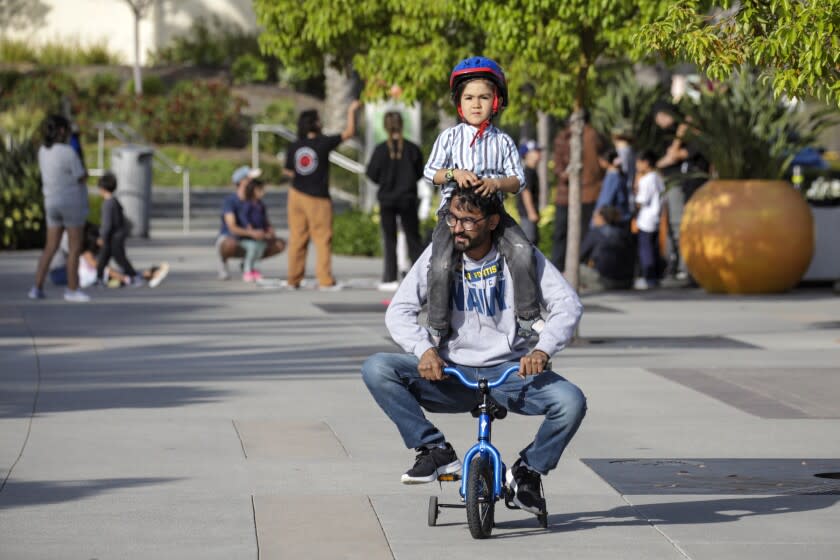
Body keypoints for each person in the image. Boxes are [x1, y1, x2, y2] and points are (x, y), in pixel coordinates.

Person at [362, 186, 586, 515]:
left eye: (469, 221)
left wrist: (542, 350)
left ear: (493, 221)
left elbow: (568, 304)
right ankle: (434, 449)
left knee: (571, 402)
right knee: (377, 368)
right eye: (452, 218)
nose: (458, 228)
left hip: (510, 375)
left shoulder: (521, 257)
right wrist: (424, 350)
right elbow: (399, 310)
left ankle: (527, 472)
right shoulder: (439, 256)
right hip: (451, 373)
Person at [424, 56, 541, 343]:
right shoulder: (449, 137)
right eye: (469, 98)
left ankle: (527, 317)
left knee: (523, 250)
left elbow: (518, 179)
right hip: (454, 215)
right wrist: (454, 173)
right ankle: (438, 325)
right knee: (440, 263)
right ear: (459, 104)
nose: (476, 104)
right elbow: (430, 172)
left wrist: (496, 182)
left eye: (484, 97)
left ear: (497, 102)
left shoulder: (502, 141)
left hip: (491, 213)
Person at [283, 101, 361, 290]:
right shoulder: (323, 142)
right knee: (322, 238)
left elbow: (287, 171)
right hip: (318, 197)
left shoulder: (295, 146)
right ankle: (324, 279)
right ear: (315, 124)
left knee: (297, 237)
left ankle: (294, 278)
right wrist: (352, 111)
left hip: (295, 195)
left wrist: (303, 176)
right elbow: (349, 132)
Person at [28, 114, 91, 302]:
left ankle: (36, 287)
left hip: (51, 202)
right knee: (74, 248)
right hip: (71, 202)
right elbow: (81, 175)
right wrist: (78, 148)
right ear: (62, 131)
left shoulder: (42, 152)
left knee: (50, 246)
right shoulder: (68, 152)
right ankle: (72, 289)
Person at [366, 111, 425, 291]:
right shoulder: (412, 149)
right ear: (402, 125)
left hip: (387, 199)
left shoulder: (380, 149)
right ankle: (419, 276)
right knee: (413, 239)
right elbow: (419, 173)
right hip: (407, 198)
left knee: (389, 239)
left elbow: (371, 174)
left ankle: (390, 276)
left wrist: (385, 182)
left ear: (385, 127)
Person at [551, 111, 605, 271]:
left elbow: (597, 164)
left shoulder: (591, 135)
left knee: (574, 233)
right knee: (565, 232)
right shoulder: (565, 137)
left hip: (586, 192)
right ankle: (561, 266)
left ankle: (570, 267)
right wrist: (565, 174)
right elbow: (558, 166)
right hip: (570, 192)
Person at [216, 166, 286, 280]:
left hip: (252, 238)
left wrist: (269, 232)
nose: (253, 182)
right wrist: (252, 233)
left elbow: (266, 222)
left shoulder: (257, 202)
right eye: (250, 179)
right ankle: (223, 262)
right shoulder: (230, 201)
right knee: (230, 244)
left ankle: (248, 264)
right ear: (241, 182)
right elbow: (232, 227)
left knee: (278, 243)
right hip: (232, 237)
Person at [50, 223, 169, 289]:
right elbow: (96, 265)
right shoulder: (71, 239)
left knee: (110, 274)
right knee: (108, 274)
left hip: (69, 271)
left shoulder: (79, 236)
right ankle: (146, 275)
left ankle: (146, 275)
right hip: (61, 273)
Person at [95, 172, 142, 285]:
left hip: (112, 237)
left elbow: (107, 224)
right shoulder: (115, 201)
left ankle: (133, 276)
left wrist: (102, 237)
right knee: (104, 258)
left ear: (102, 188)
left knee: (118, 258)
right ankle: (99, 278)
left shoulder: (107, 204)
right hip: (117, 235)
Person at [579, 206, 635, 291]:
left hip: (605, 282)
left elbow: (580, 255)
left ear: (601, 218)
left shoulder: (596, 233)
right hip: (627, 282)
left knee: (575, 269)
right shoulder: (624, 234)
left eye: (595, 217)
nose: (593, 220)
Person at [634, 150, 665, 290]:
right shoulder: (658, 178)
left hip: (646, 219)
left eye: (639, 163)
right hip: (656, 217)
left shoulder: (646, 180)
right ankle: (656, 277)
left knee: (646, 250)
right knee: (654, 248)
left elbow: (641, 200)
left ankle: (649, 277)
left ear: (645, 163)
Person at [237, 179, 273, 282]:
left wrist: (268, 228)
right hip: (247, 237)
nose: (263, 192)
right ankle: (247, 270)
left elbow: (264, 219)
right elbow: (243, 217)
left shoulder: (261, 205)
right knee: (252, 249)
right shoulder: (247, 204)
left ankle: (253, 269)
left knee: (260, 249)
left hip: (260, 235)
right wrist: (249, 227)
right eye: (260, 190)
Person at [592, 148, 631, 225]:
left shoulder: (612, 177)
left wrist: (597, 214)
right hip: (620, 215)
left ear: (605, 161)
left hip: (611, 218)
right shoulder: (619, 174)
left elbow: (606, 199)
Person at [517, 140, 542, 245]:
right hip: (527, 214)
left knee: (534, 240)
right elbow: (525, 192)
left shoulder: (532, 170)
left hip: (529, 214)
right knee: (529, 242)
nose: (539, 153)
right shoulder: (528, 172)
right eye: (536, 151)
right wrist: (531, 212)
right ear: (527, 155)